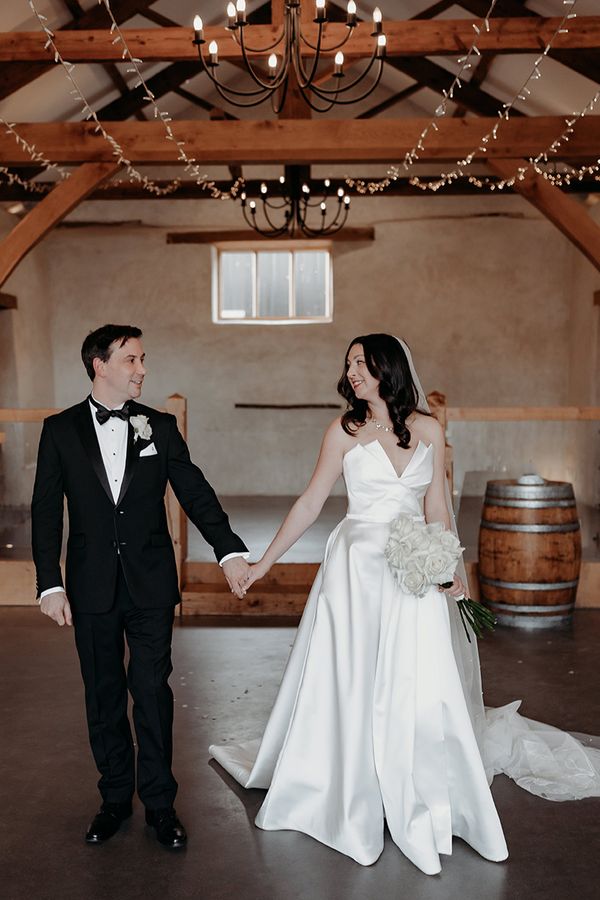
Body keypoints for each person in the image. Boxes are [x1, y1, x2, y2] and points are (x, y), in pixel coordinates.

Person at [211, 333, 600, 875]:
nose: (352, 373)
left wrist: (449, 567)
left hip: (413, 571)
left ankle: (415, 778)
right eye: (348, 365)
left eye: (361, 364)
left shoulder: (429, 430)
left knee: (415, 680)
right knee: (356, 676)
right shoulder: (344, 431)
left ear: (387, 369)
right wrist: (262, 564)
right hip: (356, 573)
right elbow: (309, 502)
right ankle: (352, 782)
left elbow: (437, 505)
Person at [32, 324, 250, 849]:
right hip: (90, 587)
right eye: (131, 360)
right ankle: (113, 800)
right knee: (104, 696)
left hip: (150, 583)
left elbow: (194, 491)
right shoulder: (59, 430)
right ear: (99, 365)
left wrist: (229, 550)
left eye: (143, 359)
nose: (142, 369)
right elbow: (45, 513)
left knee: (151, 692)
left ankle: (159, 805)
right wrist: (49, 585)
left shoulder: (160, 426)